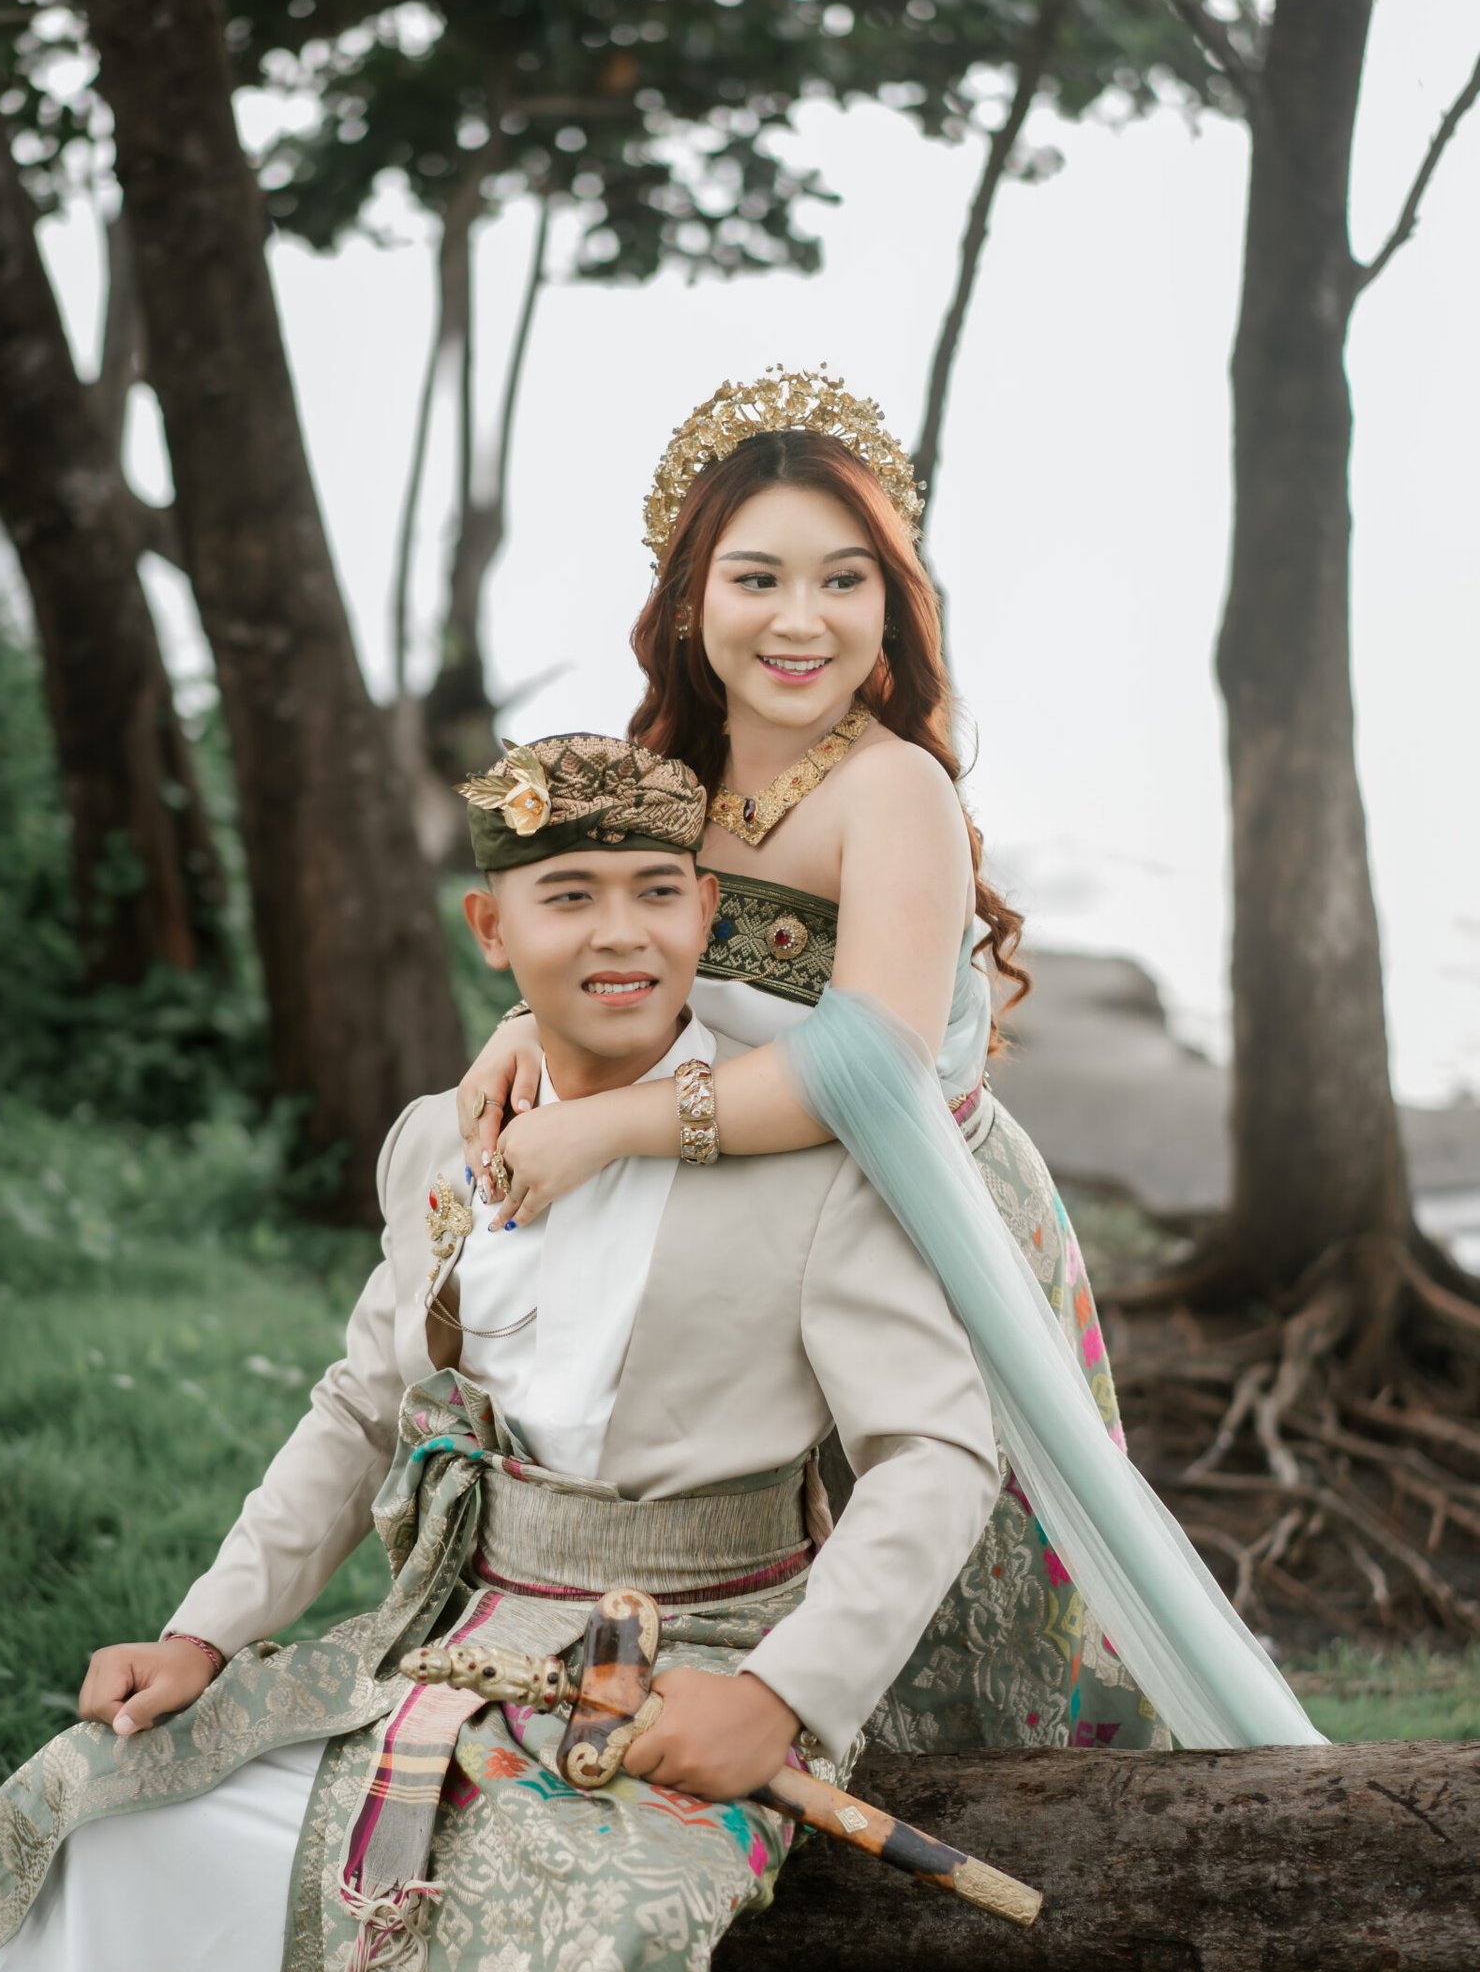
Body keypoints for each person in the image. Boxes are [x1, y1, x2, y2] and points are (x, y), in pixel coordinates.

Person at [0, 734, 1002, 1972]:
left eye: (658, 893)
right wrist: (204, 1631)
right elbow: (361, 1406)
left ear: (707, 912)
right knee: (92, 1815)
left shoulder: (817, 1163)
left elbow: (936, 1452)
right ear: (491, 928)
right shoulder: (439, 1144)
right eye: (570, 896)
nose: (622, 935)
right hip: (445, 1641)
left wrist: (779, 1700)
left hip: (695, 1673)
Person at [457, 368, 1326, 1757]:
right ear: (689, 600)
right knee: (769, 1534)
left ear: (891, 602)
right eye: (757, 578)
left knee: (951, 1555)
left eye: (843, 581)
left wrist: (610, 1126)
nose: (800, 620)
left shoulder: (892, 787)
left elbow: (870, 1058)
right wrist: (524, 1031)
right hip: (749, 1213)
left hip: (922, 1214)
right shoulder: (671, 775)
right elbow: (620, 956)